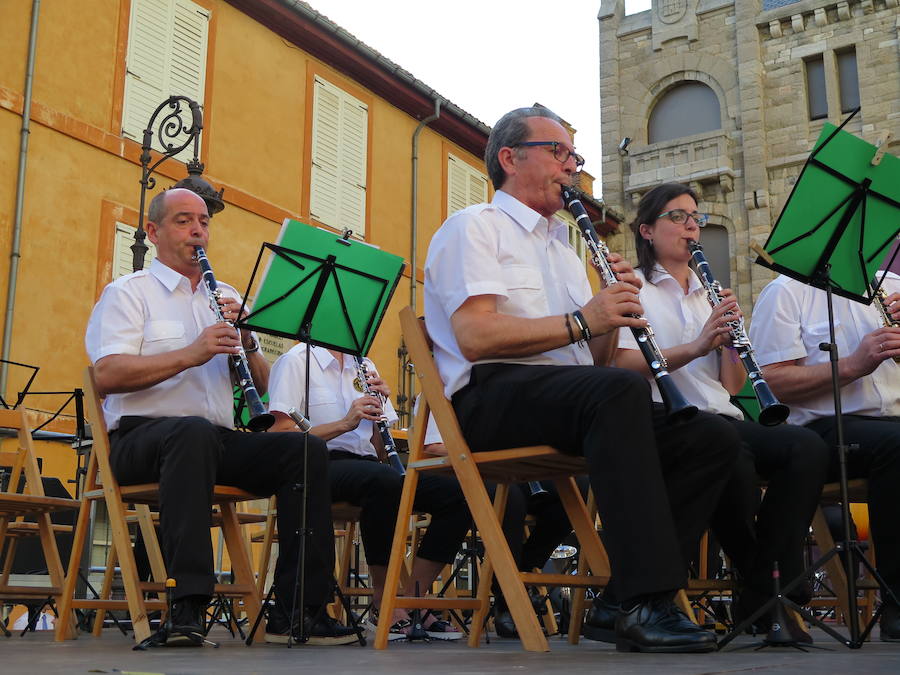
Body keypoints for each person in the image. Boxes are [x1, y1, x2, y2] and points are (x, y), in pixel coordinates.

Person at [424, 105, 739, 653]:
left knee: (711, 437)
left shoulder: (567, 252)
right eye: (559, 153)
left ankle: (622, 598)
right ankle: (647, 601)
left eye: (575, 156)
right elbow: (475, 336)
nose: (572, 167)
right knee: (619, 393)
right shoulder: (473, 228)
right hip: (491, 397)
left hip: (568, 399)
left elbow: (593, 362)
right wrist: (582, 319)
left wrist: (613, 309)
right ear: (510, 158)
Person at [85, 187, 356, 646]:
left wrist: (248, 341)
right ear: (153, 232)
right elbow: (106, 375)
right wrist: (192, 353)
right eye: (184, 221)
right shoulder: (129, 294)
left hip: (214, 439)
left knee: (305, 450)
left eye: (204, 222)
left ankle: (297, 609)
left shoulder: (225, 295)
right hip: (140, 439)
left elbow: (266, 386)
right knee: (191, 434)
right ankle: (187, 603)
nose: (198, 231)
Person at [612, 183, 830, 640]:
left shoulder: (707, 294)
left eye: (696, 217)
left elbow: (730, 385)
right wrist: (695, 346)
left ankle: (767, 583)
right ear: (647, 230)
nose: (692, 225)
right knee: (733, 456)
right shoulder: (631, 287)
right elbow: (622, 366)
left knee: (806, 448)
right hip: (666, 419)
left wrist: (730, 343)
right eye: (677, 216)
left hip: (720, 415)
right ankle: (766, 594)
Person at [267, 344, 471, 641]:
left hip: (369, 468)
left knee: (456, 493)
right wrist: (346, 423)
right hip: (318, 464)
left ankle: (411, 599)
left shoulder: (363, 365)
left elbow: (378, 451)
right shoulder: (297, 361)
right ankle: (382, 601)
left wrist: (379, 412)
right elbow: (279, 435)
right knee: (383, 482)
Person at [749, 259, 900, 642]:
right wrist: (852, 365)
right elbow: (771, 382)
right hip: (825, 430)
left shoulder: (892, 286)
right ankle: (897, 605)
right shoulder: (786, 291)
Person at [416, 395, 589, 638]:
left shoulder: (503, 388)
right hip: (464, 471)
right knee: (507, 497)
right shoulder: (442, 385)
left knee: (578, 486)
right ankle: (507, 598)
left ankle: (520, 572)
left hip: (511, 471)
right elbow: (433, 447)